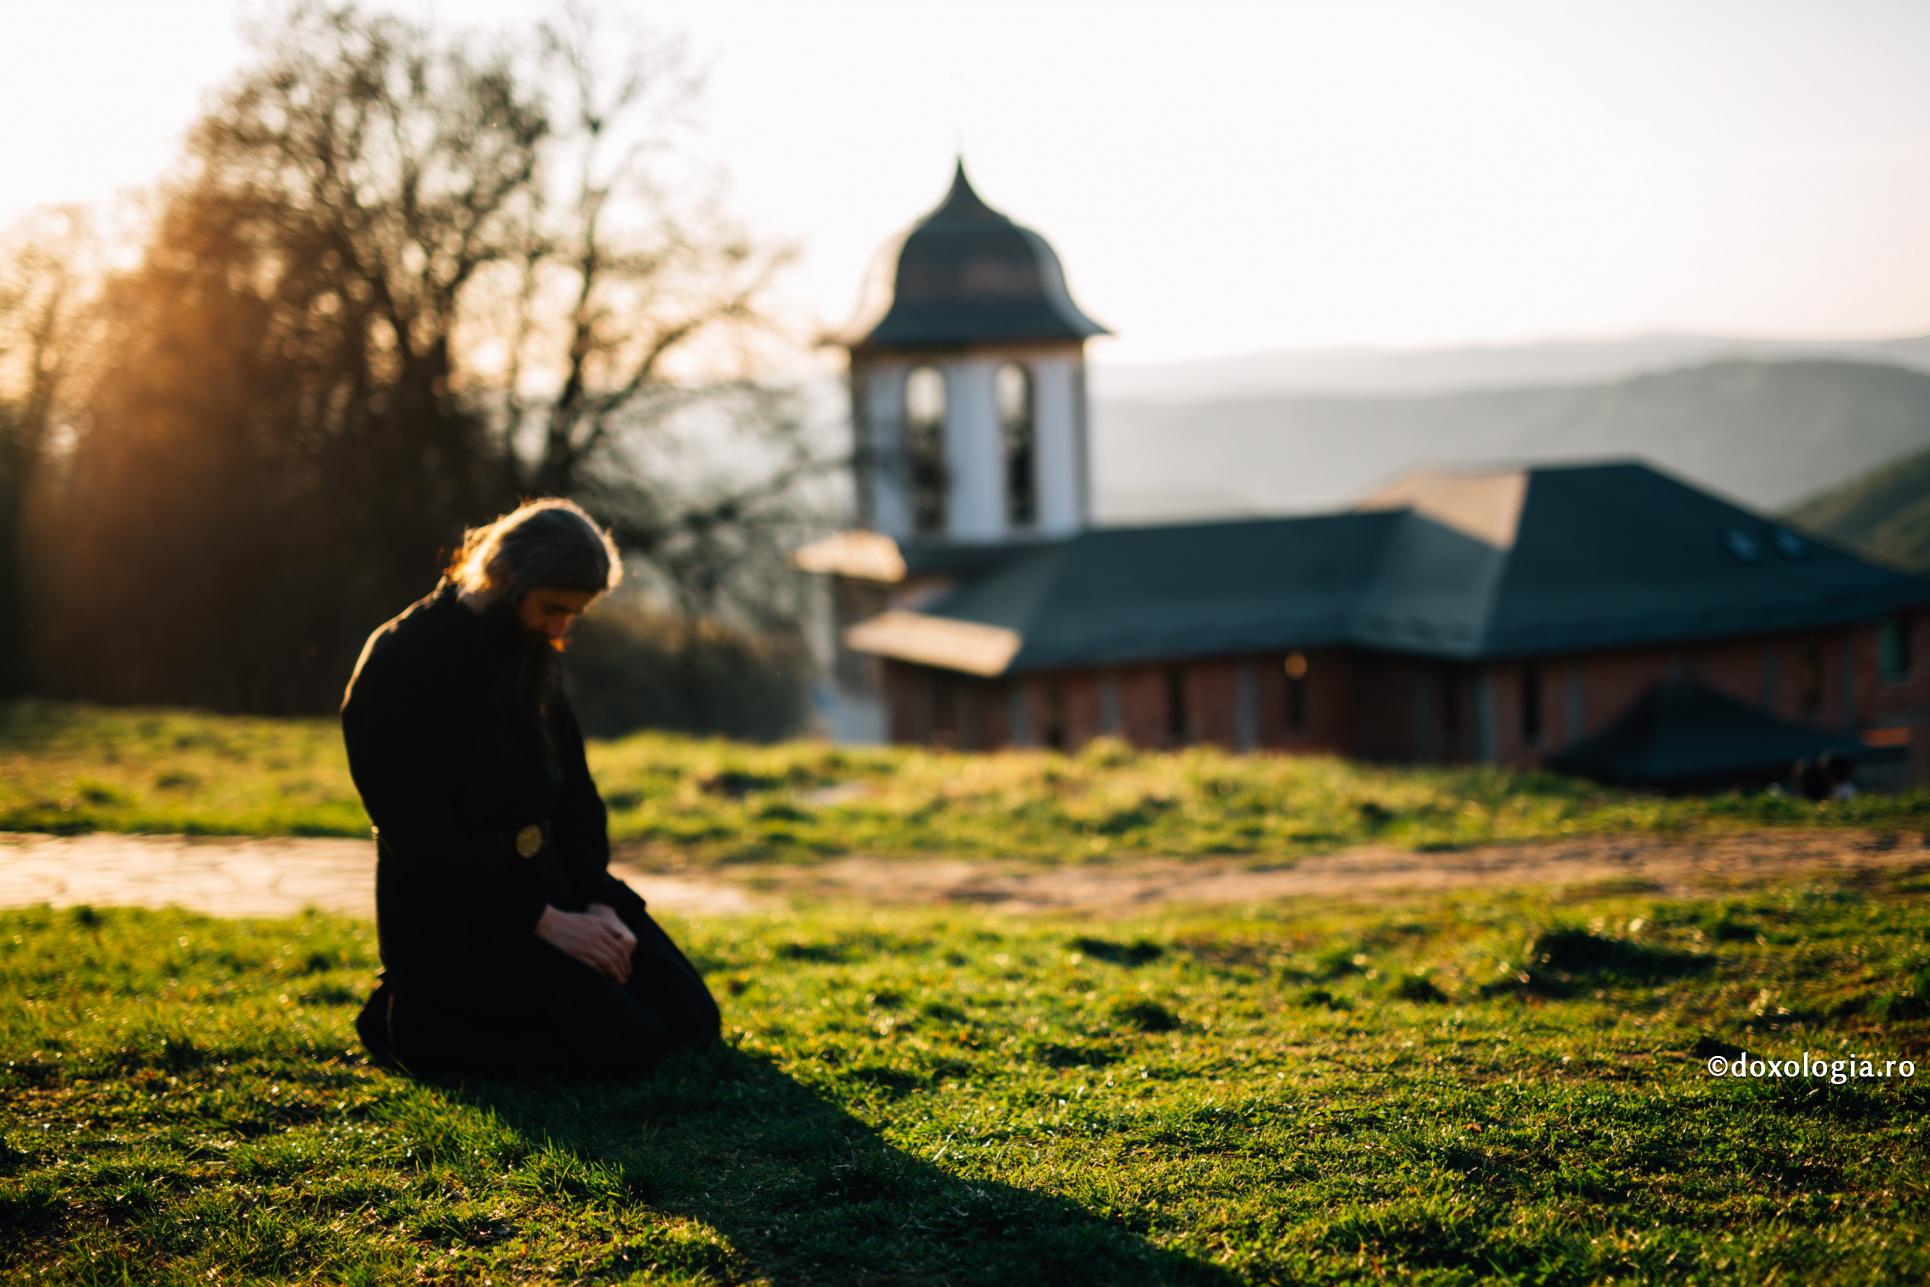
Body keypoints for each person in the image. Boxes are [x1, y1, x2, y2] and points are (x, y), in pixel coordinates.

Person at [343, 498, 720, 1079]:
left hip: (557, 886)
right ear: (505, 576)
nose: (561, 628)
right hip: (456, 909)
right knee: (629, 1046)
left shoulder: (534, 650)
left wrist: (595, 901)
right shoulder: (400, 661)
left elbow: (576, 797)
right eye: (552, 609)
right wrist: (543, 920)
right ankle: (406, 1014)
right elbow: (419, 836)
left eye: (574, 614)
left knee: (691, 1018)